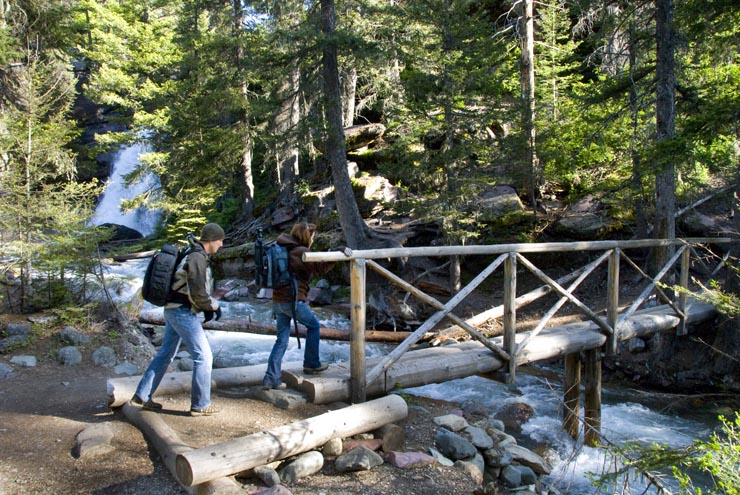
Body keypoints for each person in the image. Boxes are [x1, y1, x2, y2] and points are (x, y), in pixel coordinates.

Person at [130, 223, 225, 416]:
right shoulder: (197, 257)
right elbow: (198, 292)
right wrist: (212, 306)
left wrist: (206, 306)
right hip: (182, 312)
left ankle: (142, 395)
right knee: (204, 356)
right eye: (220, 240)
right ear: (211, 240)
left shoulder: (192, 252)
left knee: (165, 354)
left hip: (172, 310)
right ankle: (201, 405)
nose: (221, 244)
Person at [262, 222, 339, 390]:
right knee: (314, 326)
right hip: (294, 300)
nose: (313, 239)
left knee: (281, 340)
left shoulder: (281, 247)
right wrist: (337, 255)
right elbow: (321, 268)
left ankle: (270, 378)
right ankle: (311, 363)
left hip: (278, 301)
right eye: (312, 236)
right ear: (306, 236)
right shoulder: (301, 252)